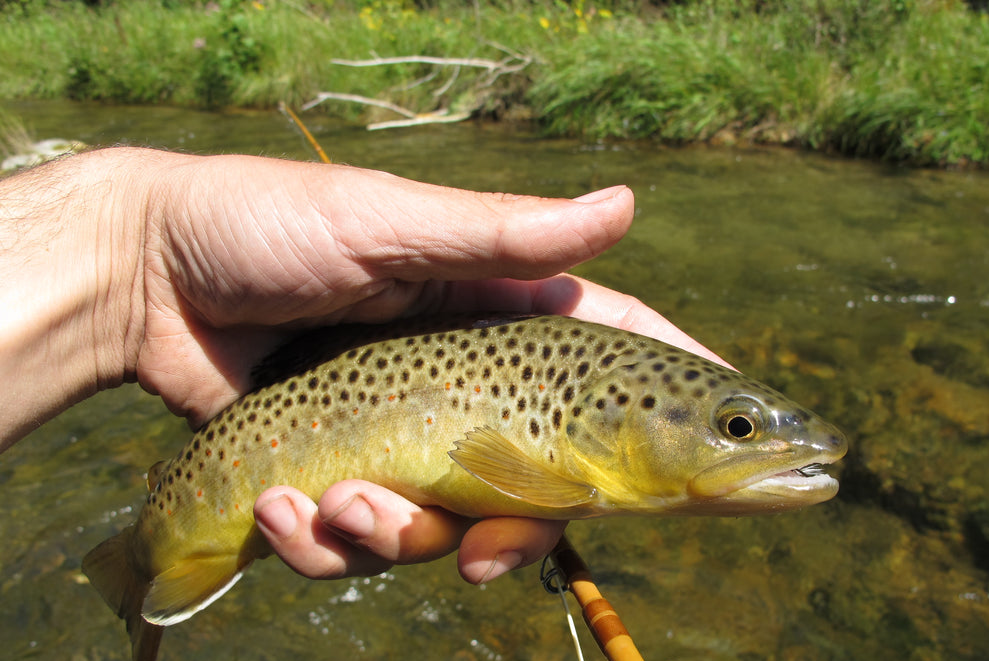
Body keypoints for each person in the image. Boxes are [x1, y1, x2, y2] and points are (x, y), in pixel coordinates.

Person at [0, 147, 724, 585]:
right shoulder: (573, 465)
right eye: (739, 425)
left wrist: (138, 257)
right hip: (253, 428)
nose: (745, 439)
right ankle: (142, 556)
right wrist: (145, 255)